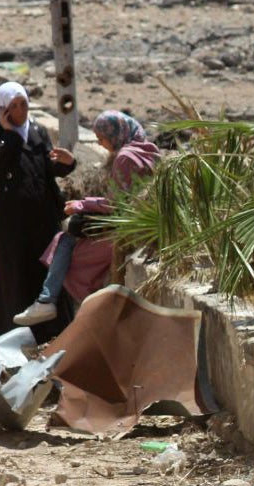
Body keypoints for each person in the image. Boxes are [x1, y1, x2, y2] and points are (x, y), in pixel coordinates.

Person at [13, 110, 159, 326]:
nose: (100, 144)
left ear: (114, 134)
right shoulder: (148, 150)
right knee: (69, 239)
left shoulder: (125, 158)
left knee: (67, 246)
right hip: (143, 228)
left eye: (102, 139)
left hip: (128, 234)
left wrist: (82, 204)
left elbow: (117, 204)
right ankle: (49, 301)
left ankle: (51, 302)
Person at [0, 82, 77, 341]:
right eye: (14, 106)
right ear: (3, 109)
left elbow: (47, 167)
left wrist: (68, 163)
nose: (21, 110)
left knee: (46, 270)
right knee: (15, 273)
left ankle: (53, 333)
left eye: (24, 104)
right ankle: (15, 336)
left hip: (43, 217)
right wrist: (10, 133)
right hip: (10, 222)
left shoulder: (37, 131)